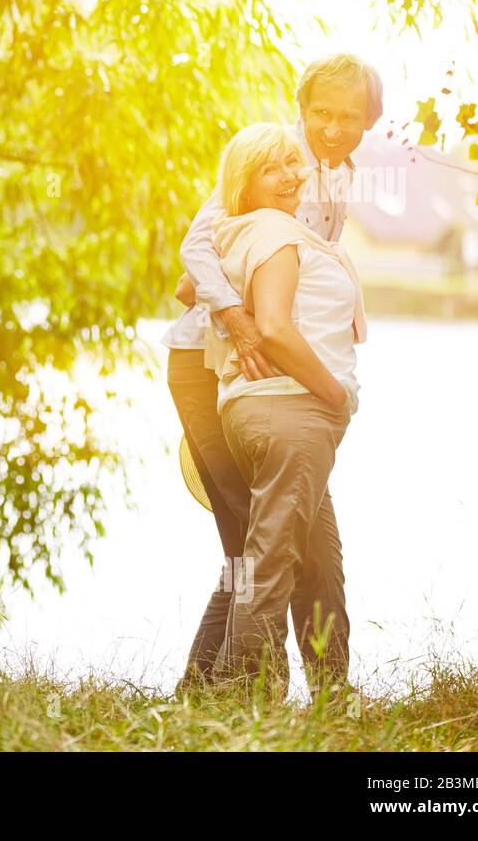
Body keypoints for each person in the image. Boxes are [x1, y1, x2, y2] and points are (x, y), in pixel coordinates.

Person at [165, 54, 382, 696]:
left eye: (351, 117)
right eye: (323, 113)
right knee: (255, 545)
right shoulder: (275, 162)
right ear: (301, 106)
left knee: (300, 544)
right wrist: (237, 316)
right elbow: (196, 256)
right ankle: (225, 694)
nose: (335, 129)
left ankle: (322, 695)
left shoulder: (339, 178)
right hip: (215, 368)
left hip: (281, 381)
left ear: (370, 119)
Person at [202, 121, 366, 695]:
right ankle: (245, 697)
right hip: (291, 409)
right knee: (271, 561)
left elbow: (187, 285)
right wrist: (333, 392)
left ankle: (331, 694)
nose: (291, 175)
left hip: (276, 413)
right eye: (271, 168)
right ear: (244, 185)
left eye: (293, 162)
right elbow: (272, 328)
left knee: (318, 561)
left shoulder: (254, 230)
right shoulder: (273, 231)